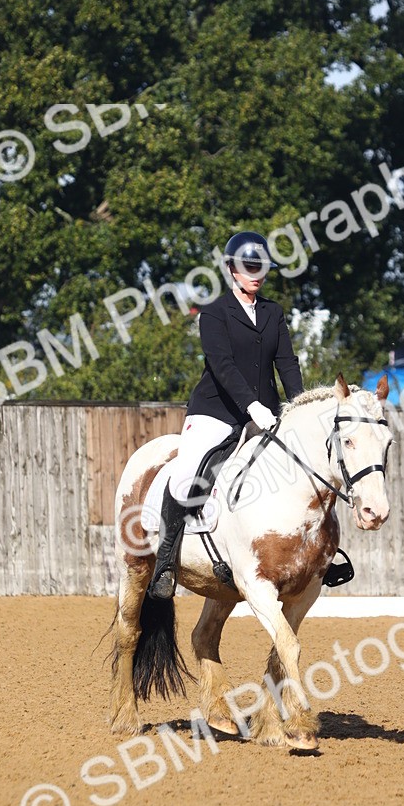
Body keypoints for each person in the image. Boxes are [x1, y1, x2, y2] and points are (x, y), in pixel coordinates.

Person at [149, 230, 304, 598]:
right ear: (231, 269)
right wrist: (252, 407)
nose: (257, 274)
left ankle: (314, 557)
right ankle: (166, 564)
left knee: (302, 467)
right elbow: (222, 365)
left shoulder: (273, 312)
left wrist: (298, 407)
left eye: (262, 267)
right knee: (188, 472)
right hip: (217, 410)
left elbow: (287, 364)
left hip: (266, 412)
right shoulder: (215, 313)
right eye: (250, 267)